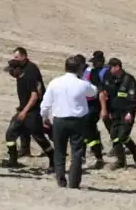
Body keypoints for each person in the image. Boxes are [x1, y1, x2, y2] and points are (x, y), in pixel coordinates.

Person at [40, 55, 97, 189]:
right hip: (78, 121)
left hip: (60, 120)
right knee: (76, 152)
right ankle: (74, 182)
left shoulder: (55, 82)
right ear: (79, 69)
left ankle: (60, 179)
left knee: (59, 151)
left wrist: (44, 117)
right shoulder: (82, 83)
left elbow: (46, 103)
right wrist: (82, 77)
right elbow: (93, 92)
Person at [2, 55, 54, 172]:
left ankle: (53, 160)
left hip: (31, 114)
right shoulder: (19, 78)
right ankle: (13, 159)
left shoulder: (29, 78)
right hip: (22, 112)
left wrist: (25, 111)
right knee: (10, 134)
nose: (10, 73)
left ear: (17, 69)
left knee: (39, 138)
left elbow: (34, 96)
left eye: (11, 71)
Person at [101, 58, 136, 170]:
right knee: (114, 136)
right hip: (114, 112)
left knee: (122, 136)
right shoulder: (108, 78)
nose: (108, 70)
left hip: (126, 113)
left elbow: (133, 99)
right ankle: (121, 161)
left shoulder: (129, 80)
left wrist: (129, 113)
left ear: (117, 67)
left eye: (110, 68)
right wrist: (105, 110)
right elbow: (104, 93)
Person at [11, 47, 42, 157]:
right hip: (25, 102)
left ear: (24, 56)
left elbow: (35, 94)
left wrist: (25, 110)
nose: (15, 59)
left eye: (17, 57)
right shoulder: (21, 67)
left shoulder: (31, 70)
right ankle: (25, 149)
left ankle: (53, 151)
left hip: (33, 104)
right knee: (23, 127)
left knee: (38, 131)